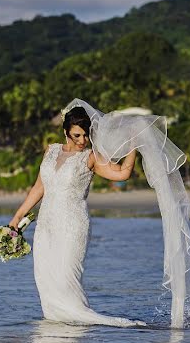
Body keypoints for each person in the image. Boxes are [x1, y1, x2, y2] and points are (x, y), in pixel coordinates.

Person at [8, 106, 143, 327]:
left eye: (86, 135)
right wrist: (17, 219)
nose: (82, 141)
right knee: (46, 280)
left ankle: (79, 330)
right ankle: (55, 335)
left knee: (66, 280)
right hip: (46, 226)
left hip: (73, 225)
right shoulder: (51, 151)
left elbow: (122, 173)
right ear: (65, 132)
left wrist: (133, 144)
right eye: (76, 135)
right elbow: (38, 189)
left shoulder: (90, 157)